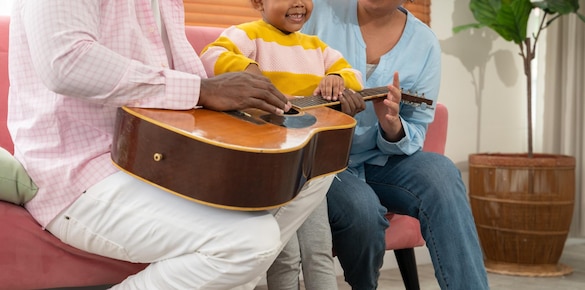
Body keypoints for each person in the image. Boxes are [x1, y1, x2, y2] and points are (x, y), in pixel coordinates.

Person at [7, 1, 335, 289]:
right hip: (82, 172)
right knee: (251, 243)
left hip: (158, 156)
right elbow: (66, 63)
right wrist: (202, 89)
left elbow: (186, 78)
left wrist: (246, 97)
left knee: (313, 168)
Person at [295, 0, 491, 289]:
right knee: (362, 209)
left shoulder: (423, 43)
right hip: (322, 164)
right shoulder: (320, 11)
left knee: (442, 174)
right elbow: (281, 71)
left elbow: (417, 131)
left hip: (380, 161)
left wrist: (393, 127)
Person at [200, 0, 364, 289]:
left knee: (319, 250)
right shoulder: (248, 34)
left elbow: (354, 76)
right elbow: (211, 55)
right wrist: (247, 69)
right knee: (283, 253)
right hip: (271, 167)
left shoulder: (317, 47)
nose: (299, 3)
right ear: (258, 2)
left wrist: (337, 78)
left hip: (311, 165)